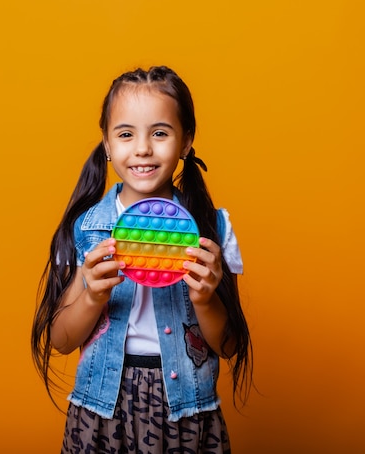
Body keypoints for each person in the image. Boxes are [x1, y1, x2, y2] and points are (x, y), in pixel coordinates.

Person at [32, 66, 252, 453]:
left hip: (187, 411)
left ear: (186, 141)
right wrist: (91, 297)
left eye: (160, 133)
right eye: (126, 134)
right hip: (101, 411)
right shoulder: (86, 229)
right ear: (106, 143)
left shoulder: (211, 228)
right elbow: (61, 341)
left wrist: (205, 298)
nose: (143, 148)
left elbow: (230, 345)